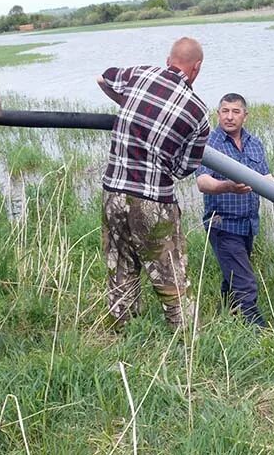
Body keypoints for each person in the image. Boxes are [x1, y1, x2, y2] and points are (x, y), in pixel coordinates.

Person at [97, 37, 210, 329]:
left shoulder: (141, 75)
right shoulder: (199, 113)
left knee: (120, 267)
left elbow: (102, 77)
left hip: (114, 194)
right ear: (196, 68)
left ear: (168, 59)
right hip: (153, 201)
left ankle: (124, 333)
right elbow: (184, 167)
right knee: (170, 273)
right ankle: (185, 339)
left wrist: (128, 107)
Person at [196, 93, 272, 328]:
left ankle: (226, 320)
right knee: (245, 282)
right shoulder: (209, 144)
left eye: (235, 112)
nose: (229, 117)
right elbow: (203, 182)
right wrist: (227, 186)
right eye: (225, 111)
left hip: (248, 224)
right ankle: (259, 333)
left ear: (245, 116)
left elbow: (266, 178)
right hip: (222, 225)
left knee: (232, 277)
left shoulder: (255, 143)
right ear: (218, 114)